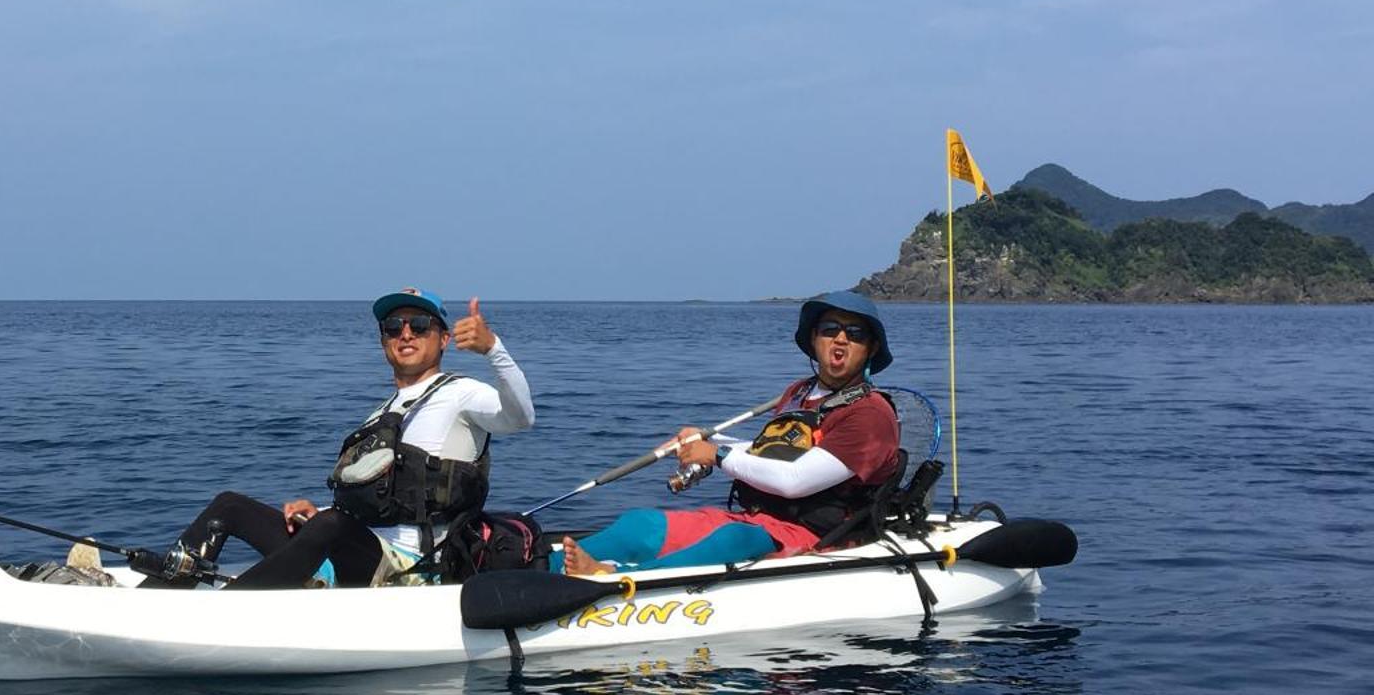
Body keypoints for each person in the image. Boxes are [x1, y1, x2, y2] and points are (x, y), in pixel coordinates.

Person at [141, 289, 535, 590]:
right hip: (349, 549)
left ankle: (227, 612)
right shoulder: (382, 412)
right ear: (384, 341)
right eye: (393, 328)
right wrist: (320, 518)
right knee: (229, 506)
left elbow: (521, 418)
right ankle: (158, 593)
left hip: (412, 569)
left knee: (330, 526)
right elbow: (376, 497)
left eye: (419, 325)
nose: (406, 334)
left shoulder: (462, 393)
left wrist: (493, 350)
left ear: (444, 339)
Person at [561, 291, 902, 575]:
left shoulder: (870, 413)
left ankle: (614, 578)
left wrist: (717, 455)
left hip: (814, 535)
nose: (840, 339)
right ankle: (538, 565)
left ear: (870, 349)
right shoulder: (799, 392)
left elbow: (794, 479)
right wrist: (706, 441)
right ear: (814, 339)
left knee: (733, 540)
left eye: (855, 334)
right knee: (640, 525)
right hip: (759, 519)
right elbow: (767, 451)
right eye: (830, 329)